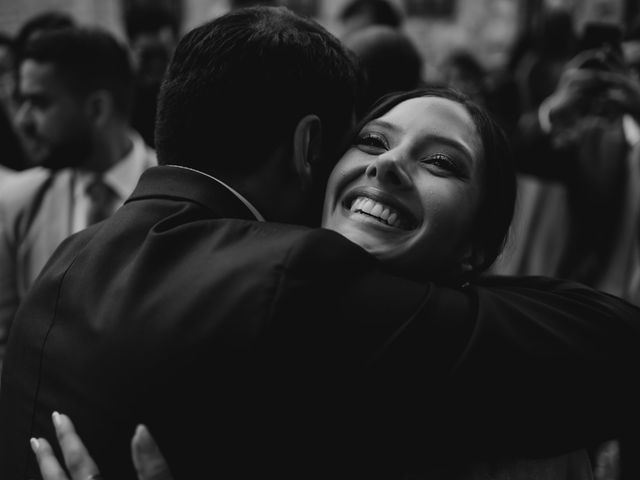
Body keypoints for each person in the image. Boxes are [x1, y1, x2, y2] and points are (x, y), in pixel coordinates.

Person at [2, 6, 640, 479]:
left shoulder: (68, 263)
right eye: (370, 140)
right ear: (315, 150)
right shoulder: (295, 278)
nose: (388, 166)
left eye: (443, 161)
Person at [0, 27, 156, 373]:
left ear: (97, 108)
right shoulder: (17, 204)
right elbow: (6, 342)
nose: (23, 120)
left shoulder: (179, 194)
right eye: (20, 101)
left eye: (39, 103)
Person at [123, 4, 180, 148]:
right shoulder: (123, 94)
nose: (156, 64)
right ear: (131, 47)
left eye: (162, 54)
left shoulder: (187, 86)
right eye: (148, 55)